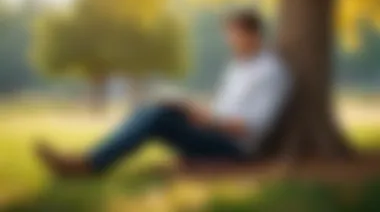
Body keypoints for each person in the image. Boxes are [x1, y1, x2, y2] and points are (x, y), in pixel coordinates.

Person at [37, 9, 291, 176]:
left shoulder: (272, 72)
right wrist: (194, 109)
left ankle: (89, 165)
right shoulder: (237, 67)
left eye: (236, 35)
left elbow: (253, 126)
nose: (230, 41)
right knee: (154, 109)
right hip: (214, 130)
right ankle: (88, 159)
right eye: (228, 35)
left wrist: (209, 120)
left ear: (254, 34)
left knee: (157, 118)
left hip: (235, 148)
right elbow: (223, 109)